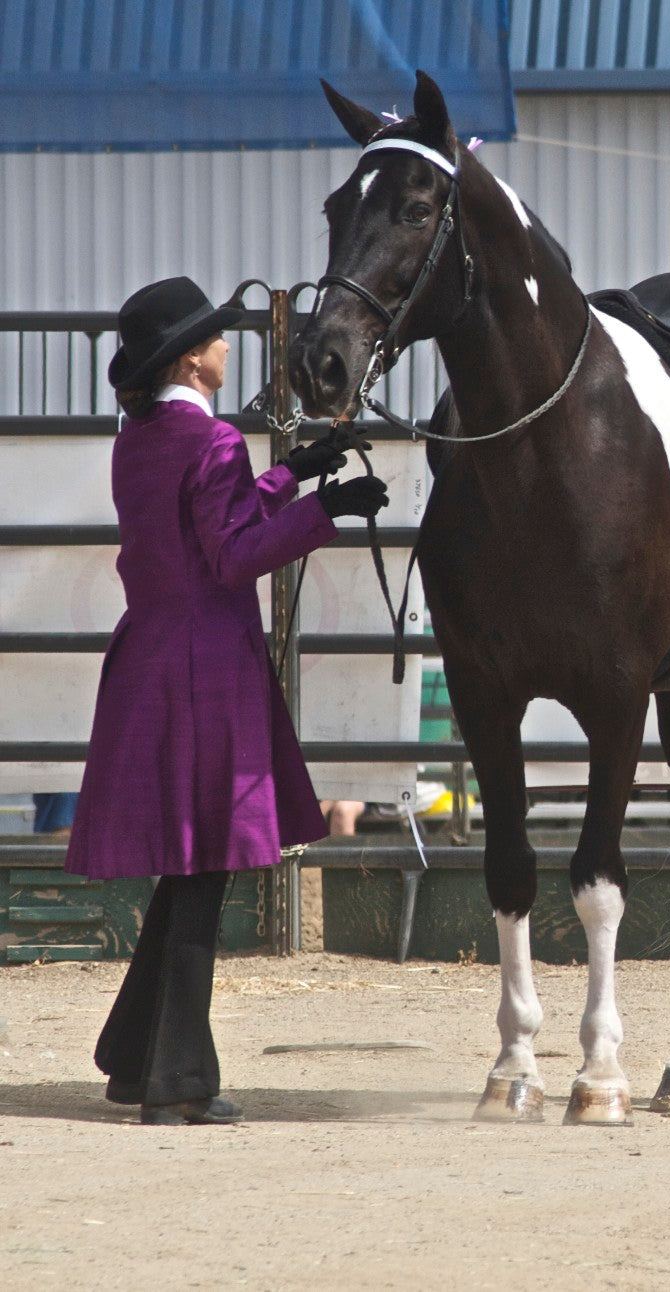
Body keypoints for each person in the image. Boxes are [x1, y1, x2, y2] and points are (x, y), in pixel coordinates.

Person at [64, 276, 388, 1126]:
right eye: (217, 337)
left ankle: (136, 1058)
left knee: (190, 869)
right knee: (204, 873)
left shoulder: (142, 437)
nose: (228, 345)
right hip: (206, 669)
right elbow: (234, 555)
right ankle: (176, 1083)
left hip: (153, 655)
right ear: (191, 359)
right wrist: (327, 508)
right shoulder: (208, 442)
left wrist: (288, 473)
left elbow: (205, 518)